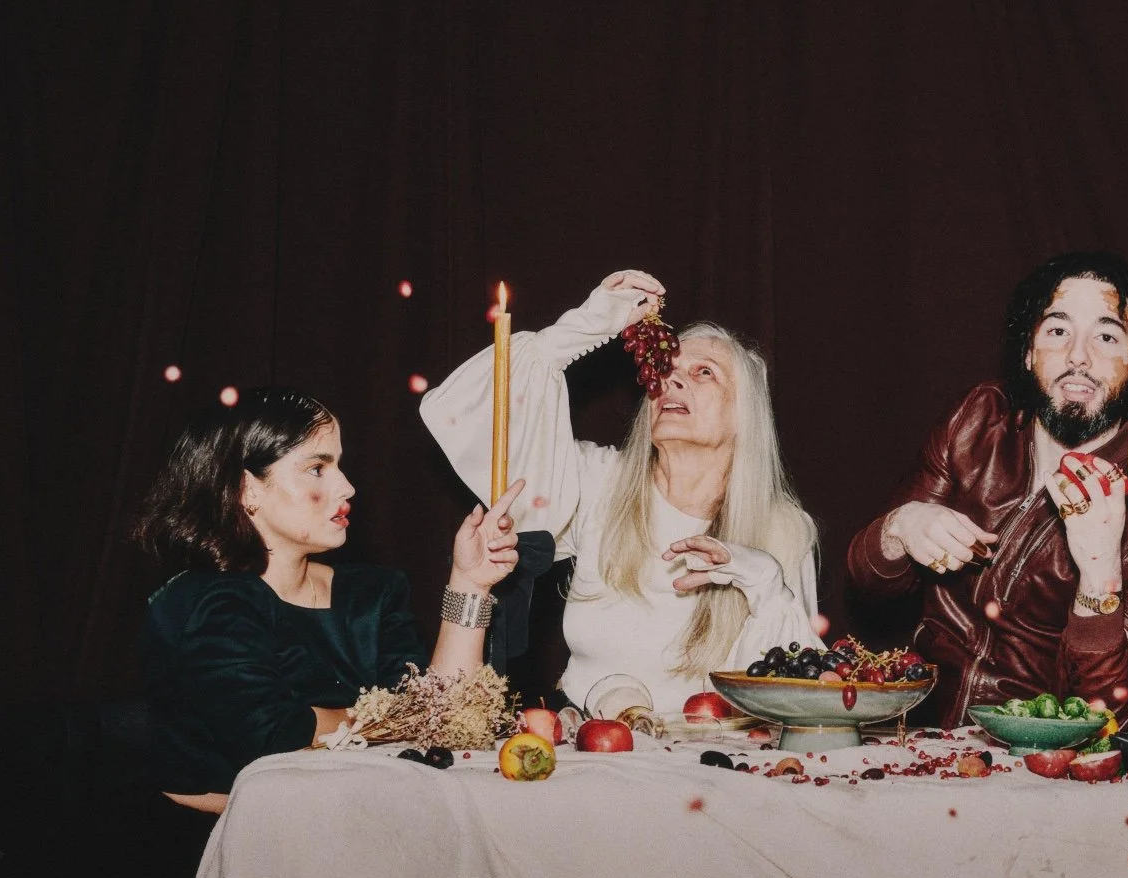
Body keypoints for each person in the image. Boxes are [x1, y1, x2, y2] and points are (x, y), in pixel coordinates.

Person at [421, 271, 819, 715]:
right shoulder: (597, 482)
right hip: (591, 743)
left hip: (718, 751)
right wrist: (579, 329)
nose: (671, 381)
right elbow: (465, 416)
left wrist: (765, 583)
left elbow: (803, 693)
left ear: (746, 415)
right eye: (665, 369)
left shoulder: (783, 529)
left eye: (704, 372)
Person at [136, 387, 522, 812]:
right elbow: (275, 736)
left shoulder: (370, 594)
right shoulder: (203, 603)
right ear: (247, 489)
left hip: (360, 818)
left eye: (339, 464)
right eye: (317, 468)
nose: (348, 487)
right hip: (232, 831)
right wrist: (386, 719)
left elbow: (442, 722)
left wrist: (470, 584)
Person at [847, 252, 1128, 726]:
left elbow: (1108, 712)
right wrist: (901, 527)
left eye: (1106, 336)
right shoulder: (979, 419)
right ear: (1028, 352)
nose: (1078, 356)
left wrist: (1099, 574)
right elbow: (866, 584)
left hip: (1034, 752)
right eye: (1057, 330)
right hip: (918, 732)